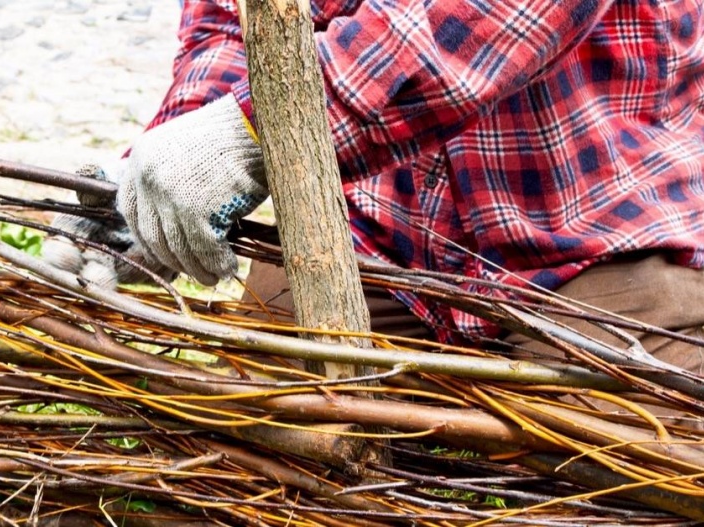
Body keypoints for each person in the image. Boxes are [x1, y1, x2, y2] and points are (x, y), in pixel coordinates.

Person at [46, 1, 704, 382]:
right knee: (253, 422)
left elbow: (490, 18)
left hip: (597, 231)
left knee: (635, 473)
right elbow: (233, 20)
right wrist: (163, 174)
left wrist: (255, 131)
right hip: (379, 234)